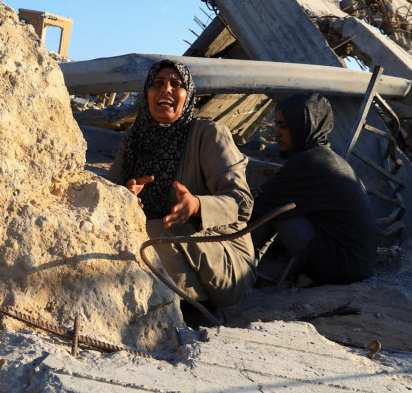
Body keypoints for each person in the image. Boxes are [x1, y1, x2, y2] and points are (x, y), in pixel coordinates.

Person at [108, 59, 255, 310]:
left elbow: (242, 204)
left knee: (153, 231)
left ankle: (190, 310)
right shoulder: (135, 138)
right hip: (163, 249)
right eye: (157, 83)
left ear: (188, 96)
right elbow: (107, 194)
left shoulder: (208, 134)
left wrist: (197, 205)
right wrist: (126, 197)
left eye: (176, 84)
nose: (166, 89)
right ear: (147, 93)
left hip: (225, 262)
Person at [249, 93, 377, 285]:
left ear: (304, 125)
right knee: (279, 205)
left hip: (345, 268)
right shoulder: (327, 157)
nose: (276, 133)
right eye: (277, 125)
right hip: (359, 265)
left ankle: (243, 266)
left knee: (277, 210)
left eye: (284, 127)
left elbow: (259, 203)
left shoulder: (310, 162)